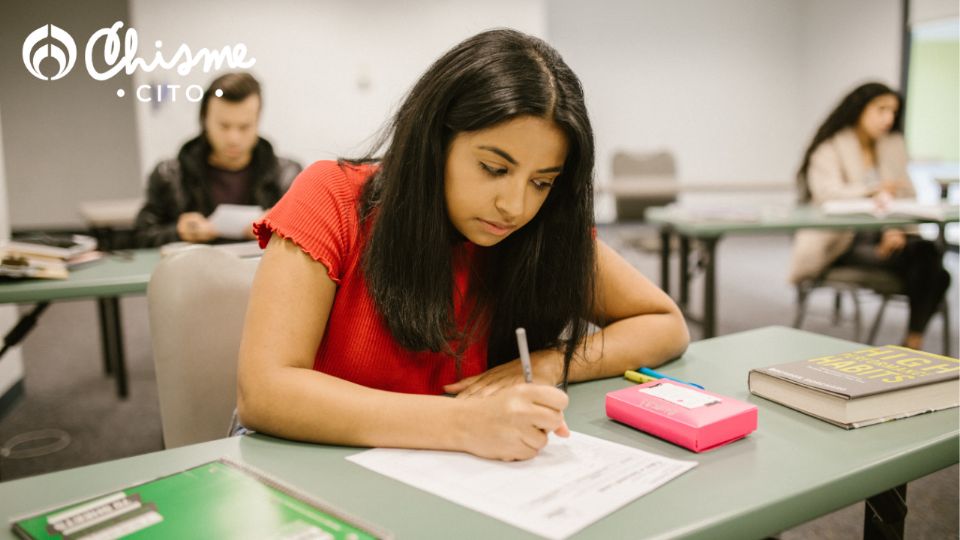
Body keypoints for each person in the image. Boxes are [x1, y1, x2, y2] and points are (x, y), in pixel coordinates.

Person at [237, 29, 689, 461]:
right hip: (317, 470)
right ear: (435, 141)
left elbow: (664, 324)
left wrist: (552, 364)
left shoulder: (543, 229)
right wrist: (462, 422)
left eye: (542, 181)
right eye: (494, 168)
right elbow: (265, 392)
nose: (515, 206)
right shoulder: (332, 196)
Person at [790, 82, 950, 350]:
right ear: (859, 109)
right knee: (935, 270)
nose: (888, 118)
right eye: (881, 110)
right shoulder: (831, 146)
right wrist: (870, 190)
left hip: (889, 236)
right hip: (842, 241)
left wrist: (895, 230)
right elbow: (827, 195)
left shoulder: (892, 146)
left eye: (893, 112)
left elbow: (904, 196)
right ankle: (913, 342)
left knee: (928, 258)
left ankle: (913, 340)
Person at [133, 72, 302, 247]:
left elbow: (312, 239)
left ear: (258, 121)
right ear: (205, 120)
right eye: (224, 126)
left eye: (244, 127)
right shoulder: (169, 175)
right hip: (194, 271)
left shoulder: (287, 175)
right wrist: (177, 232)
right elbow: (140, 237)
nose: (233, 138)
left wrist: (278, 228)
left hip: (263, 272)